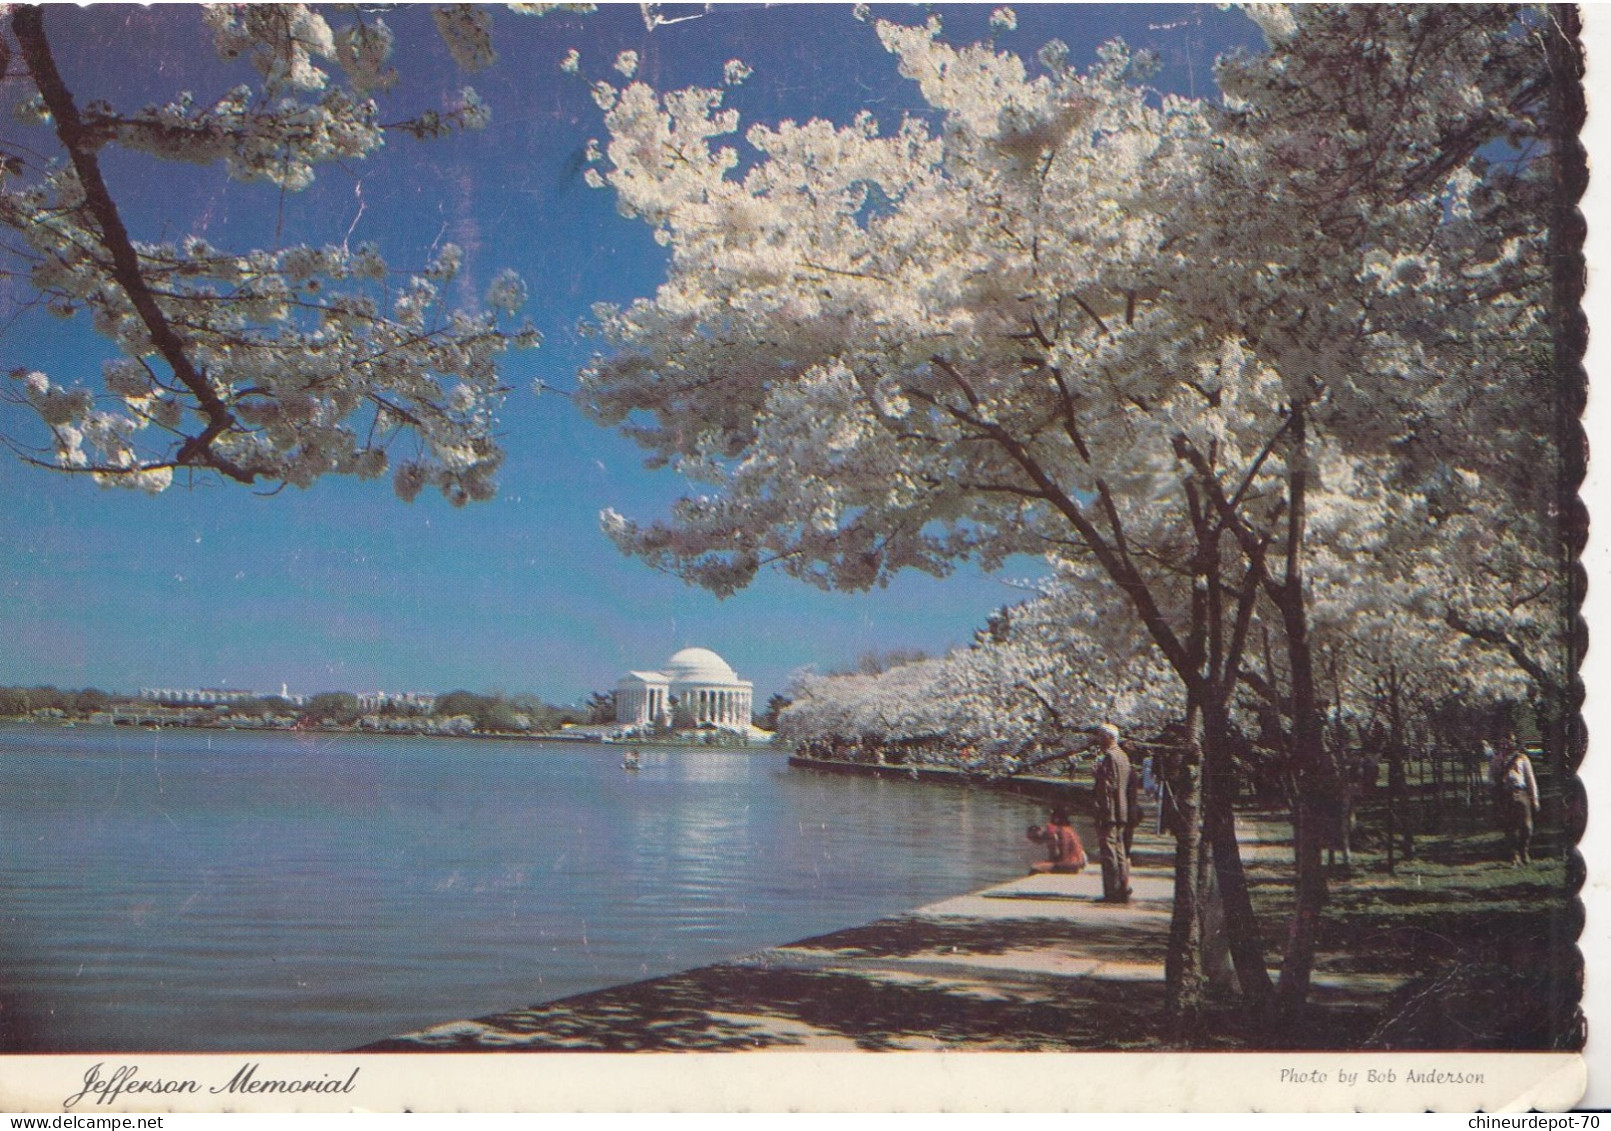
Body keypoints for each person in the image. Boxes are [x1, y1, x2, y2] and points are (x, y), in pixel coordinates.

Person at [1091, 722, 1134, 902]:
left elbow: (1108, 787)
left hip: (1110, 811)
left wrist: (1103, 812)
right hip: (1122, 809)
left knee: (1109, 851)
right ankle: (1123, 886)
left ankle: (1111, 891)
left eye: (1101, 736)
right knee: (1120, 850)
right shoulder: (1123, 756)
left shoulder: (1109, 757)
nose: (1098, 740)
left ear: (1109, 738)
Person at [1489, 738, 1540, 864]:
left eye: (1509, 742)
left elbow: (1530, 779)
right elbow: (1491, 777)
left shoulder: (1522, 758)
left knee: (1527, 826)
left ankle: (1524, 850)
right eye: (1503, 742)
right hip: (1505, 794)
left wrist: (1535, 798)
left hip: (1521, 793)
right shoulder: (1497, 759)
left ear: (1514, 743)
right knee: (1510, 826)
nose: (1506, 745)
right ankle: (1514, 855)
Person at [1026, 808, 1087, 874]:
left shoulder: (1059, 832)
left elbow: (1064, 856)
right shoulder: (1066, 829)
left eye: (1035, 838)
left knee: (1035, 868)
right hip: (1079, 860)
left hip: (1073, 863)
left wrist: (1050, 865)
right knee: (1044, 865)